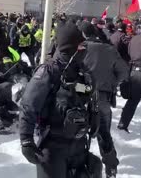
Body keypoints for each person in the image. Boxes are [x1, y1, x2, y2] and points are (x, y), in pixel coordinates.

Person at [19, 22, 102, 178]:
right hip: (52, 147)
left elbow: (92, 96)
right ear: (70, 46)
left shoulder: (83, 71)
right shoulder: (49, 71)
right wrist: (26, 139)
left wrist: (95, 115)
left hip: (78, 145)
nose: (84, 49)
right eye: (81, 45)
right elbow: (28, 105)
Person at [80, 22, 129, 178]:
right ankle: (111, 167)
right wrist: (112, 84)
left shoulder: (79, 49)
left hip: (80, 95)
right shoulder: (109, 49)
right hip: (102, 96)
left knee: (76, 131)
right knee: (104, 133)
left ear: (83, 34)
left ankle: (79, 166)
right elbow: (123, 71)